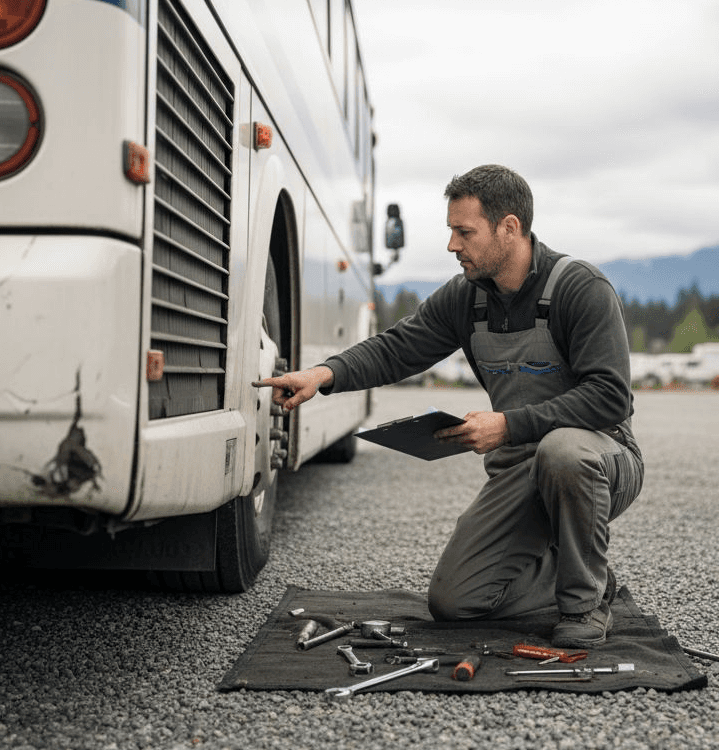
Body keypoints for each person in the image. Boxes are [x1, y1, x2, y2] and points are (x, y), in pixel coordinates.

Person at [253, 164, 643, 648]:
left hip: (600, 460)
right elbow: (396, 348)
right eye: (451, 231)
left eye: (464, 232)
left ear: (510, 228)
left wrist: (507, 425)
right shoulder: (467, 299)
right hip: (523, 467)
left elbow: (610, 396)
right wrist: (322, 374)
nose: (452, 245)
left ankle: (585, 603)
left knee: (562, 451)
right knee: (455, 602)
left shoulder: (579, 288)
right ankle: (581, 566)